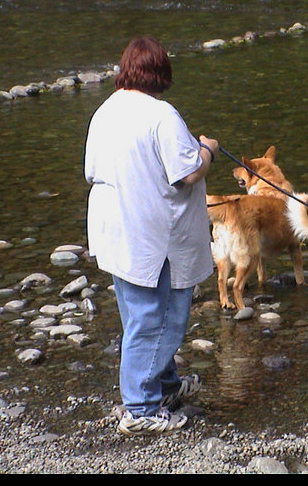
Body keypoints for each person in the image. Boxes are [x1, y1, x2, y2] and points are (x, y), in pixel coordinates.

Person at [84, 35, 218, 435]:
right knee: (159, 321)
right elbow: (188, 172)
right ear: (160, 73)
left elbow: (92, 171)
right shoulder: (161, 115)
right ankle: (140, 409)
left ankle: (165, 387)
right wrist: (208, 148)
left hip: (114, 230)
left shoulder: (104, 111)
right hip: (151, 234)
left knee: (136, 315)